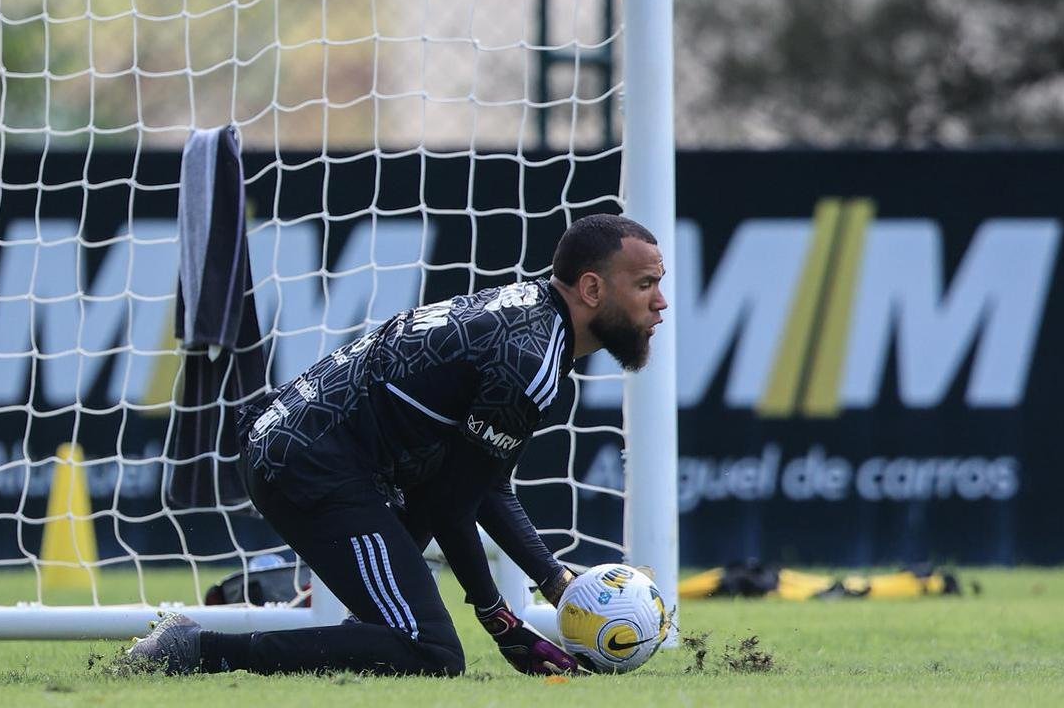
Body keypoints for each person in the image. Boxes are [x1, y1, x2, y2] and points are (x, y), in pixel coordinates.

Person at [126, 213, 667, 677]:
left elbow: (474, 485)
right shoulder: (530, 362)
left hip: (303, 443)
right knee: (431, 652)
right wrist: (499, 618)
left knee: (419, 533)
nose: (661, 303)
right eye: (645, 285)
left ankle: (304, 599)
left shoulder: (530, 313)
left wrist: (550, 577)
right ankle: (196, 649)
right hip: (309, 465)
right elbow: (452, 505)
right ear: (592, 289)